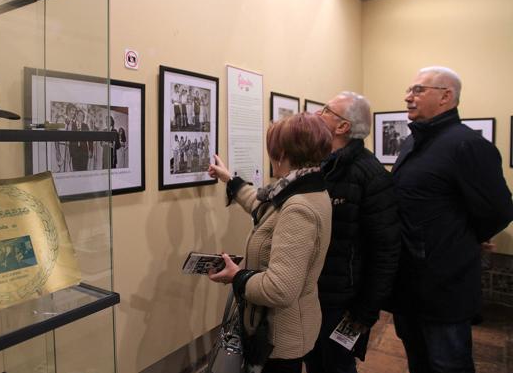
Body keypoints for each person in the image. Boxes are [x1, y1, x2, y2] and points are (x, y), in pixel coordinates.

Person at [391, 66, 513, 373]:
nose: (408, 97)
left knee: (448, 363)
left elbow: (499, 210)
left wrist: (463, 237)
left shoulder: (467, 145)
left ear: (446, 97)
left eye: (418, 90)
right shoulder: (412, 142)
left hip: (444, 286)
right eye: (409, 89)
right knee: (417, 360)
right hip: (409, 282)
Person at [207, 112, 333, 373]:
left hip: (280, 339)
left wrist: (237, 276)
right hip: (281, 331)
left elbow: (279, 289)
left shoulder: (299, 207)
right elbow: (262, 207)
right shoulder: (305, 189)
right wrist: (229, 179)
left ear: (282, 153)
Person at [303, 91, 401, 373]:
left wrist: (366, 310)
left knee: (337, 365)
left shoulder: (370, 174)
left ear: (343, 126)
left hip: (343, 303)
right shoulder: (323, 165)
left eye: (325, 110)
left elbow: (386, 248)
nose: (317, 114)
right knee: (315, 362)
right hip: (315, 293)